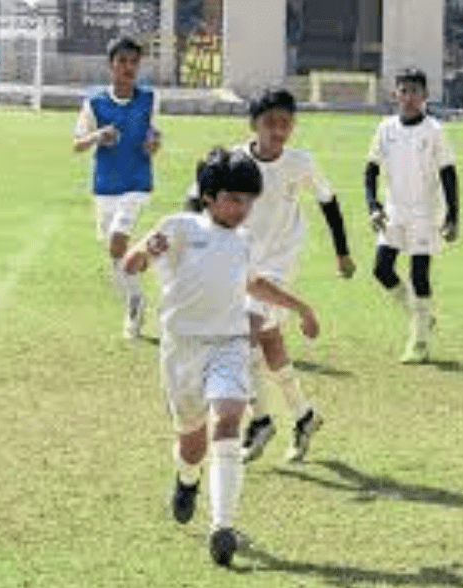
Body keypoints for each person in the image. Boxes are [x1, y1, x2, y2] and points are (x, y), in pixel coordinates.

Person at [123, 147, 319, 567]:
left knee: (229, 417)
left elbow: (254, 284)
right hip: (181, 350)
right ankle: (187, 479)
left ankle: (222, 527)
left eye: (249, 200)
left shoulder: (245, 241)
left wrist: (302, 308)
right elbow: (132, 262)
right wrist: (142, 253)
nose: (242, 208)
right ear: (209, 196)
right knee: (191, 443)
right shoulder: (180, 227)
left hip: (229, 343)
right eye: (233, 198)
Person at [233, 88, 356, 463]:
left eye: (285, 123)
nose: (277, 130)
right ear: (254, 124)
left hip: (278, 263)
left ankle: (260, 419)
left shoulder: (300, 162)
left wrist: (342, 252)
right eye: (269, 122)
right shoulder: (235, 160)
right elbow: (199, 199)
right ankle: (304, 415)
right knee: (269, 341)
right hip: (240, 261)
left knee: (244, 331)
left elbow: (328, 201)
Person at [364, 67, 459, 364]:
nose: (408, 97)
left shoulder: (434, 131)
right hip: (394, 210)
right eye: (404, 91)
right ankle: (421, 316)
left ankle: (419, 343)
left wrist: (453, 215)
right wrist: (373, 206)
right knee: (381, 269)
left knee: (419, 275)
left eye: (415, 91)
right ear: (396, 94)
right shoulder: (385, 128)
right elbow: (371, 169)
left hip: (425, 213)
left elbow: (448, 172)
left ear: (425, 95)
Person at [73, 35, 161, 339]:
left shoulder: (149, 99)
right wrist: (99, 136)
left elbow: (154, 135)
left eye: (134, 61)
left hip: (137, 183)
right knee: (115, 254)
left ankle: (134, 302)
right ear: (110, 65)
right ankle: (134, 295)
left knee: (115, 241)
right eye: (122, 61)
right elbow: (77, 144)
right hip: (105, 186)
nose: (128, 67)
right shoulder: (94, 102)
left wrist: (153, 144)